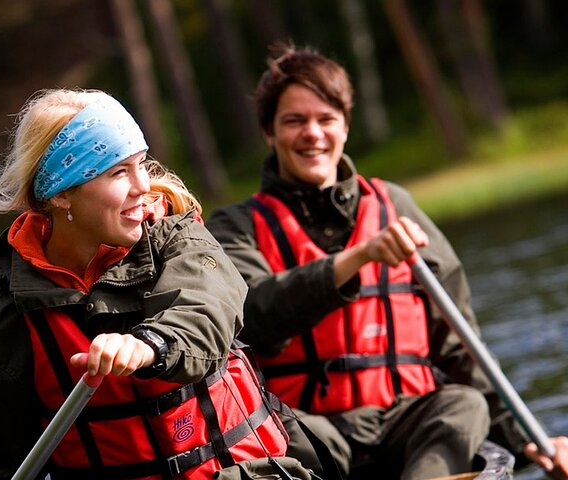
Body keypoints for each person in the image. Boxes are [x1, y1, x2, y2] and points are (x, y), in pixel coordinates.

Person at [206, 44, 568, 480]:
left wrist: (530, 439)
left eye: (326, 119)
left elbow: (458, 342)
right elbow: (255, 317)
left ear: (345, 125)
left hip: (403, 419)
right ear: (269, 132)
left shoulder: (395, 204)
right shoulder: (235, 226)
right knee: (265, 429)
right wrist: (356, 258)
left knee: (463, 405)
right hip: (310, 430)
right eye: (294, 121)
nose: (313, 134)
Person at [0, 88, 322, 480]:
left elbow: (204, 313)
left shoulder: (179, 237)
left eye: (141, 163)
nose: (143, 186)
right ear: (63, 194)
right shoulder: (11, 315)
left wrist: (148, 346)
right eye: (119, 172)